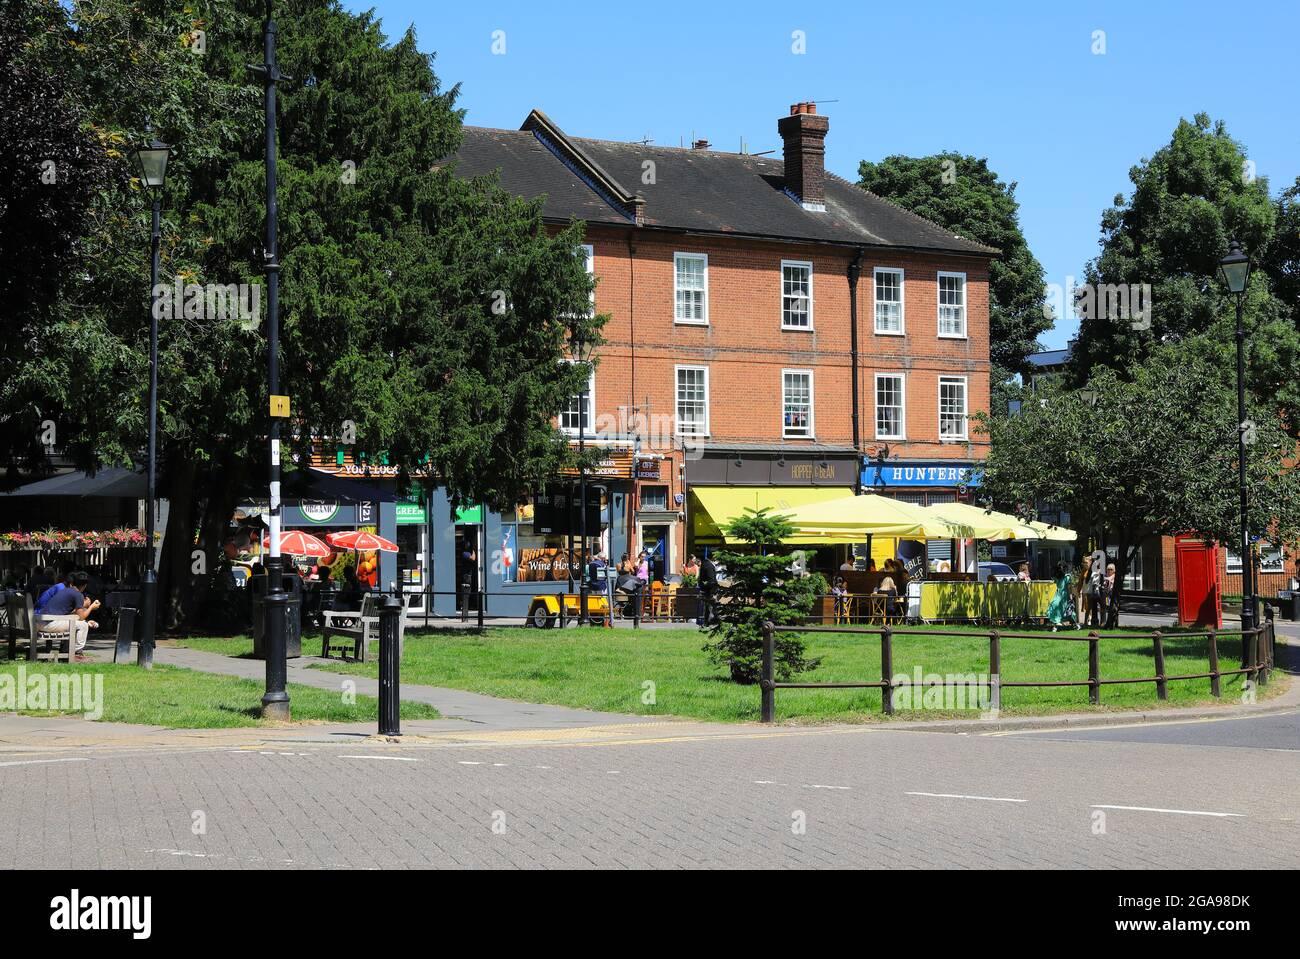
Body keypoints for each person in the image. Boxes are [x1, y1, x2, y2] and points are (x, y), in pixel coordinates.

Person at [38, 571, 98, 660]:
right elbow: (81, 618)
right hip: (49, 623)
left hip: (41, 622)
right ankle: (76, 653)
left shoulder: (65, 591)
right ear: (84, 586)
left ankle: (68, 652)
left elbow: (71, 615)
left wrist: (86, 621)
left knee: (82, 623)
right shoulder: (78, 595)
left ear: (72, 583)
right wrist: (91, 607)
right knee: (83, 626)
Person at [1047, 561, 1077, 631]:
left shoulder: (1067, 577)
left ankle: (1075, 625)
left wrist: (1070, 598)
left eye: (1061, 567)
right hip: (1057, 595)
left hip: (1065, 596)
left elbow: (1069, 588)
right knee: (1054, 606)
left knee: (1068, 611)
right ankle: (1056, 625)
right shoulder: (1057, 577)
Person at [697, 553, 720, 627]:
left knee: (708, 606)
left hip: (705, 589)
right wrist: (713, 590)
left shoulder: (705, 563)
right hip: (709, 590)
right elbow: (711, 580)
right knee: (712, 605)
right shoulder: (709, 565)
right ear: (713, 557)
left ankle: (706, 622)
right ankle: (714, 621)